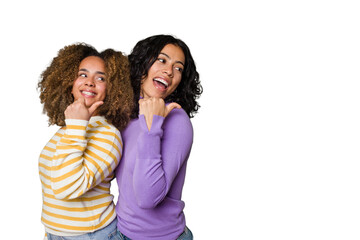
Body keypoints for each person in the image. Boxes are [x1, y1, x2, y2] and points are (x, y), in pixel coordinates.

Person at [38, 43, 133, 239]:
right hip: (56, 234)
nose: (89, 82)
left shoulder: (108, 134)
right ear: (69, 82)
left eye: (100, 78)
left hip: (91, 234)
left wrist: (76, 125)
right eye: (83, 74)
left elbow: (66, 187)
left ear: (112, 89)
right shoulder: (72, 127)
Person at [115, 34, 203, 240]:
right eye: (162, 60)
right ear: (142, 64)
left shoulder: (177, 120)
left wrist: (152, 126)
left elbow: (147, 198)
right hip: (120, 232)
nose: (169, 71)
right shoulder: (126, 113)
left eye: (178, 68)